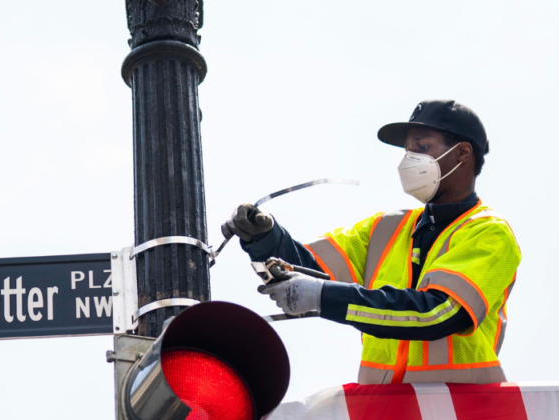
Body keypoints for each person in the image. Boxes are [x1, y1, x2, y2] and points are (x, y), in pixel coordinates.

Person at [221, 100, 520, 384]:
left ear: (463, 153)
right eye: (407, 150)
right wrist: (264, 237)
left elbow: (439, 313)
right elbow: (308, 268)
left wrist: (326, 298)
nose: (409, 159)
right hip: (385, 412)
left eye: (423, 147)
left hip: (463, 416)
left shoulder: (489, 232)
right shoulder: (386, 227)